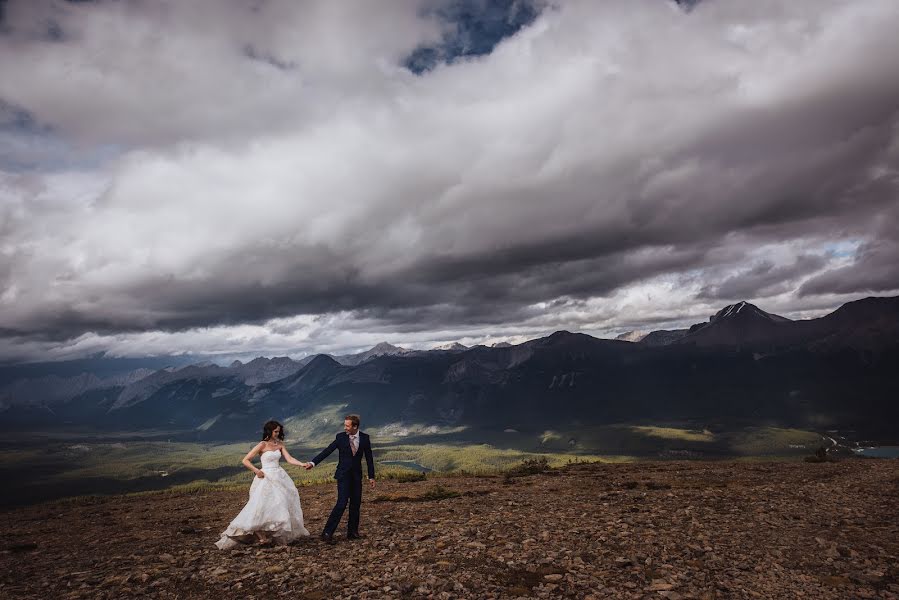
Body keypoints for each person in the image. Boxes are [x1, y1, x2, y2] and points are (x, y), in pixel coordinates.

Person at [215, 420, 310, 549]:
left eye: (279, 431)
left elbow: (289, 459)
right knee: (260, 507)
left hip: (279, 477)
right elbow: (245, 460)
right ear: (269, 431)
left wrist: (301, 464)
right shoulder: (262, 445)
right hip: (265, 477)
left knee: (279, 505)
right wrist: (257, 470)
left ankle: (271, 535)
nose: (277, 433)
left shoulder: (280, 444)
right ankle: (262, 538)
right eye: (275, 431)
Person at [304, 414, 375, 542]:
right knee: (341, 503)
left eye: (347, 426)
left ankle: (352, 532)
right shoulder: (340, 437)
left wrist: (371, 476)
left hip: (356, 477)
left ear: (355, 426)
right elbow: (327, 451)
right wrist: (313, 463)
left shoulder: (365, 438)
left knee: (355, 504)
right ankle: (327, 533)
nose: (345, 428)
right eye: (345, 425)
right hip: (343, 475)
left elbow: (369, 458)